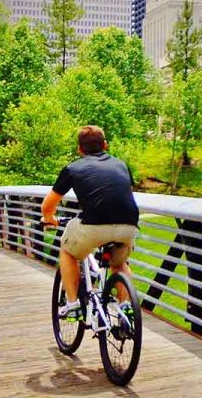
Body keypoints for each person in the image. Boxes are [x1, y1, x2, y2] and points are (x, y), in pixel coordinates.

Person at [41, 126, 138, 317]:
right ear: (105, 145)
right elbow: (125, 194)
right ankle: (126, 306)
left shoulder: (73, 168)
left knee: (68, 253)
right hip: (128, 224)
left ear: (79, 149)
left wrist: (49, 218)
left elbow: (48, 204)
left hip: (93, 226)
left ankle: (72, 303)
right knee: (119, 264)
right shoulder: (121, 165)